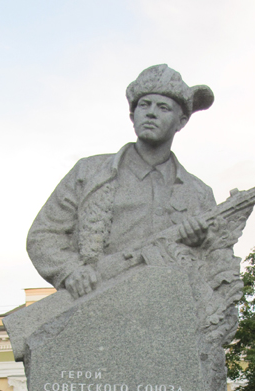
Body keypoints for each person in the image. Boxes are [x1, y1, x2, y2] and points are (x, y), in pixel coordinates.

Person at [27, 64, 217, 299]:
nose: (151, 113)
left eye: (163, 107)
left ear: (181, 121)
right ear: (132, 116)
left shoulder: (199, 194)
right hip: (99, 304)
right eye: (144, 105)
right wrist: (71, 271)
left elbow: (216, 265)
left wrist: (200, 243)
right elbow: (43, 234)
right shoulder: (89, 172)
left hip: (169, 310)